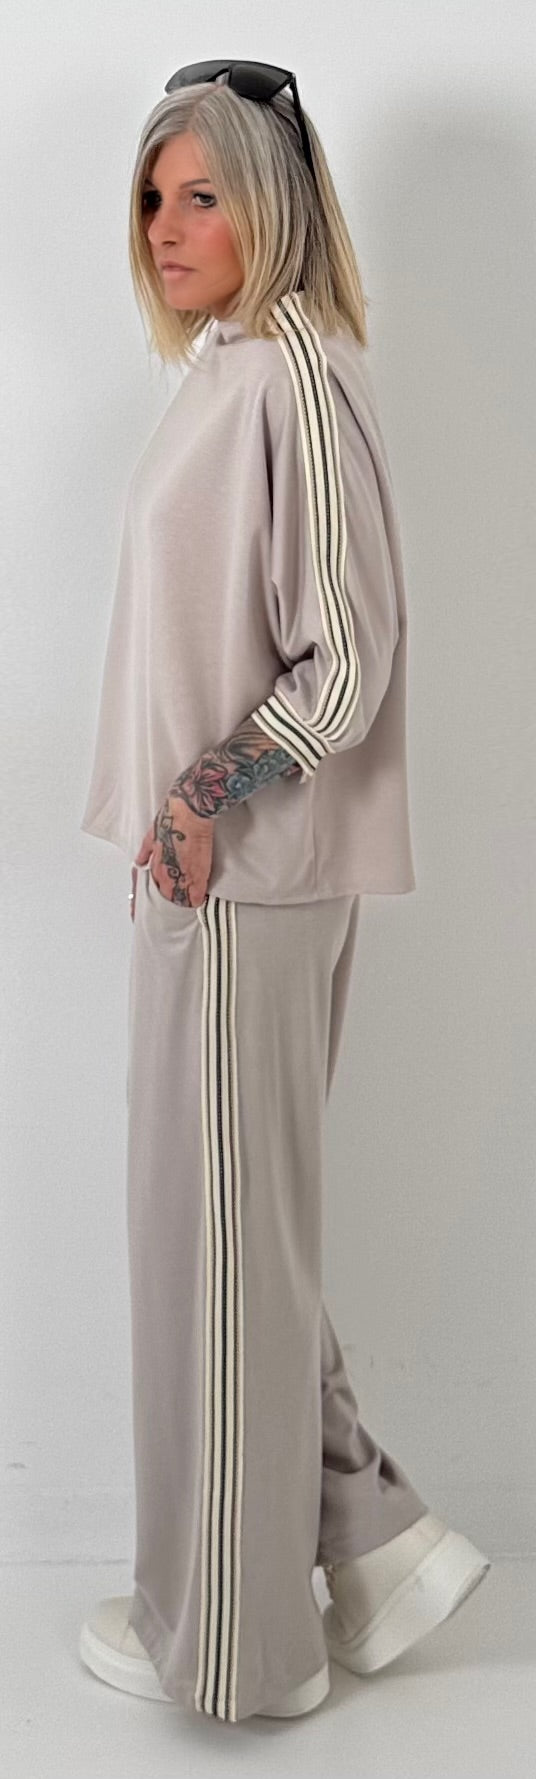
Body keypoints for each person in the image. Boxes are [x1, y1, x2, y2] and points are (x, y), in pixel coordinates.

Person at [78, 61, 490, 1725]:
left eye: (204, 197)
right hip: (212, 882)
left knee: (223, 1263)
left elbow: (348, 655)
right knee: (230, 1243)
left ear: (275, 207)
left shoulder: (298, 375)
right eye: (153, 196)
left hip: (246, 881)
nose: (167, 228)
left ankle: (245, 1648)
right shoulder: (233, 371)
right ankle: (377, 1547)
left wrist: (204, 795)